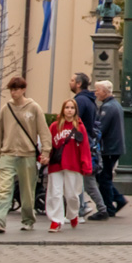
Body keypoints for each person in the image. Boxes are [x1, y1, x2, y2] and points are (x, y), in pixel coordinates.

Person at [0, 76, 51, 233]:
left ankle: (28, 219)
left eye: (16, 89)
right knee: (4, 189)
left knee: (27, 191)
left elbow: (44, 131)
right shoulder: (6, 109)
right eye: (12, 89)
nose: (13, 93)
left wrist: (46, 152)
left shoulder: (34, 108)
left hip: (27, 154)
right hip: (7, 153)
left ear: (23, 90)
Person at [46, 98, 94, 232]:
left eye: (72, 108)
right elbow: (48, 144)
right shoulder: (55, 126)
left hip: (73, 165)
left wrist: (86, 165)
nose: (69, 110)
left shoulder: (79, 127)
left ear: (75, 111)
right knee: (55, 193)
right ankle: (56, 221)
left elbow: (84, 148)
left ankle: (73, 214)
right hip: (56, 164)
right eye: (67, 107)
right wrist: (43, 156)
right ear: (63, 110)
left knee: (72, 194)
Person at [69, 72, 108, 221]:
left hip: (81, 144)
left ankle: (82, 207)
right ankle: (97, 207)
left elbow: (74, 123)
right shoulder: (90, 100)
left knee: (80, 178)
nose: (70, 83)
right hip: (89, 143)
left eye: (72, 80)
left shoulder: (79, 101)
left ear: (78, 84)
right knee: (87, 179)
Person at [94, 80, 128, 216]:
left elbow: (100, 128)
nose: (96, 93)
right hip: (115, 148)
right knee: (105, 177)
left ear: (105, 92)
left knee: (104, 178)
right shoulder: (115, 105)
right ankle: (117, 199)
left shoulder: (107, 108)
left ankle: (110, 206)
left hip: (109, 148)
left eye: (98, 90)